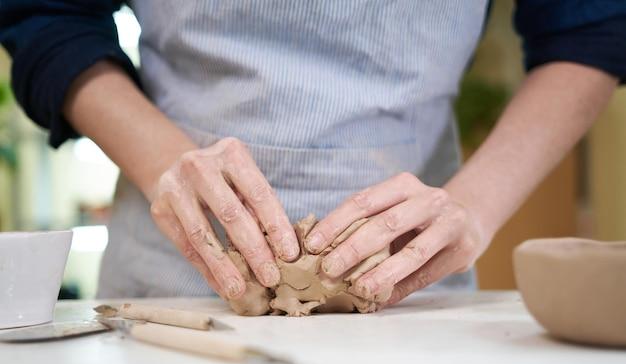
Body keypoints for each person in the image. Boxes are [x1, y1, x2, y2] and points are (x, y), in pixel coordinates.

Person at [1, 1, 625, 306]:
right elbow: (46, 13)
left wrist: (477, 204)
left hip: (414, 292)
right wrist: (163, 159)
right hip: (174, 286)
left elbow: (592, 27)